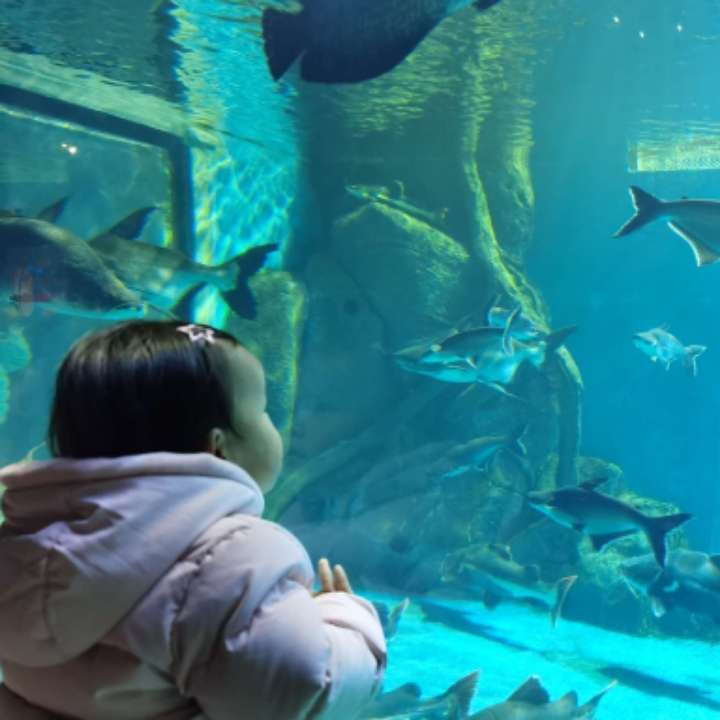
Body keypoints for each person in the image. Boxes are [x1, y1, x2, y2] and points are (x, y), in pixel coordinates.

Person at [0, 321, 386, 719]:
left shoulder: (22, 543)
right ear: (217, 447)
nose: (277, 426)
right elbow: (301, 687)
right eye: (264, 411)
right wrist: (347, 618)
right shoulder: (234, 558)